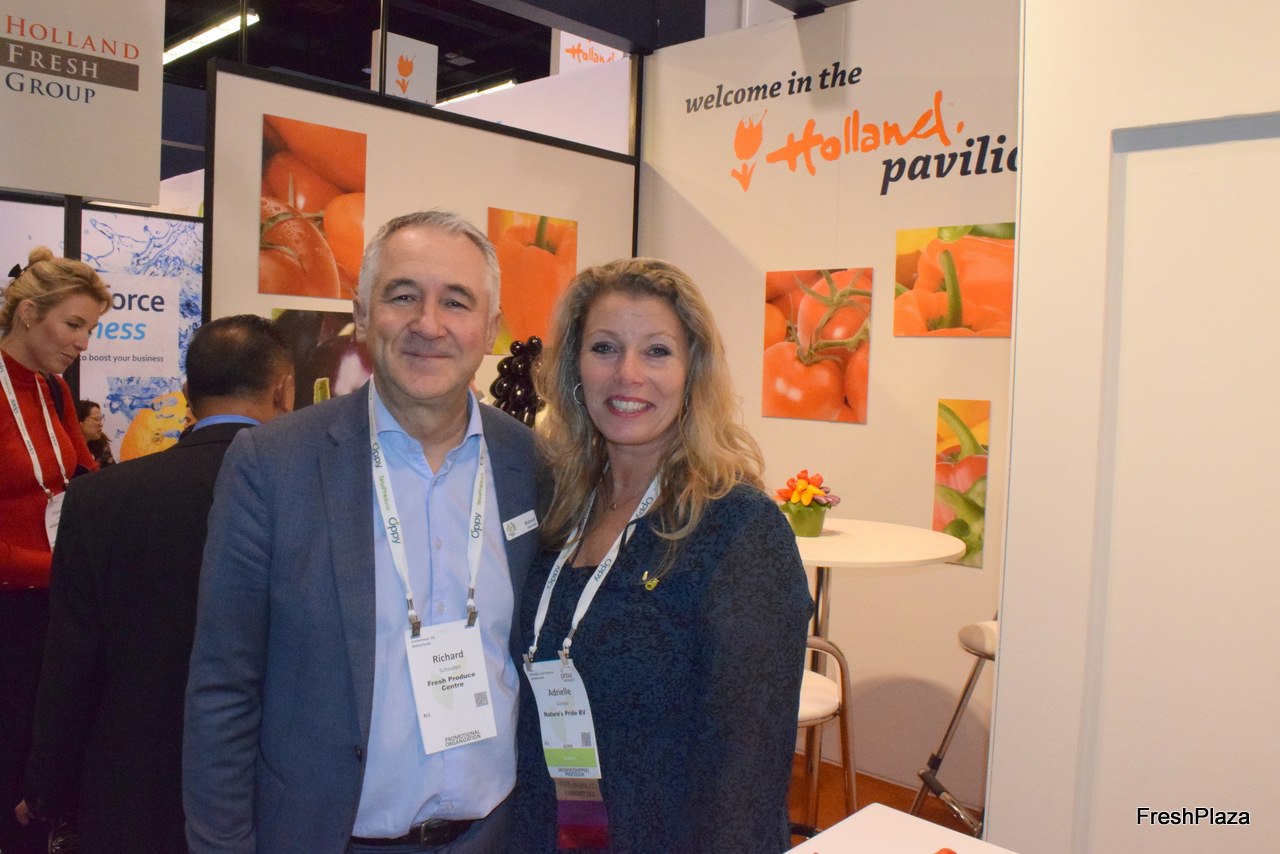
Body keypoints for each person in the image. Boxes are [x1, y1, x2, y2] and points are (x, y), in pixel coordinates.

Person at [183, 211, 543, 853]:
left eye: (456, 301)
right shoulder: (274, 465)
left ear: (490, 328)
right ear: (362, 312)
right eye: (403, 296)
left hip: (496, 834)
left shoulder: (532, 466)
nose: (428, 323)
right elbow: (223, 686)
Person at [511, 258, 813, 853]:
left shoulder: (740, 529)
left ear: (692, 372)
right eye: (604, 348)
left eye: (656, 352)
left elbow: (747, 780)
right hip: (540, 831)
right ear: (574, 368)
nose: (628, 374)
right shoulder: (557, 506)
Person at [14, 315, 296, 853]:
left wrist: (46, 788)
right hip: (278, 788)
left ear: (187, 392)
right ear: (284, 390)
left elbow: (71, 665)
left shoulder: (100, 499)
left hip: (133, 788)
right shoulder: (314, 495)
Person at [0, 247, 110, 854]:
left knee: (41, 764)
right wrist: (60, 570)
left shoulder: (55, 390)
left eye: (89, 328)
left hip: (51, 602)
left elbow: (83, 477)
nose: (83, 343)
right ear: (28, 314)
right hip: (12, 605)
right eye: (73, 324)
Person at [75, 399, 115, 468]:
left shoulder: (101, 444)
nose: (101, 424)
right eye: (96, 419)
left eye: (100, 419)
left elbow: (113, 471)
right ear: (80, 422)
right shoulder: (69, 449)